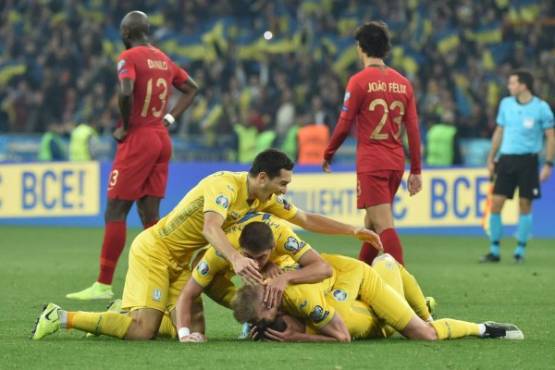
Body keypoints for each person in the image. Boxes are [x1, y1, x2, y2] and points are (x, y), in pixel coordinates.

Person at [32, 149, 382, 341]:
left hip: (183, 262)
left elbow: (305, 219)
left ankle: (117, 315)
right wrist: (233, 257)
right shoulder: (224, 185)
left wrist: (353, 231)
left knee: (185, 333)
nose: (284, 190)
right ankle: (60, 317)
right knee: (143, 332)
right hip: (156, 251)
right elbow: (210, 225)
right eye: (282, 183)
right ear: (262, 177)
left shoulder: (262, 199)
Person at [66, 11, 199, 300]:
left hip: (138, 138)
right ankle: (167, 280)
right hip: (162, 139)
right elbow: (191, 88)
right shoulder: (163, 58)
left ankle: (102, 285)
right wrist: (171, 119)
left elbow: (126, 91)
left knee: (115, 210)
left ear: (126, 34)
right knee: (150, 216)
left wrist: (126, 126)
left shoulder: (129, 58)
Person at [232, 254, 524, 342]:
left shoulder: (302, 298)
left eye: (258, 320)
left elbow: (342, 337)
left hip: (356, 276)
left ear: (268, 303)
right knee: (379, 316)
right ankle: (419, 304)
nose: (261, 325)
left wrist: (299, 338)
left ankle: (484, 328)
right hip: (339, 286)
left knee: (424, 334)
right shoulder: (270, 294)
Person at [322, 21, 422, 266]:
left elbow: (344, 124)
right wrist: (416, 170)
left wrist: (329, 152)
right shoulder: (403, 83)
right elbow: (413, 130)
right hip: (395, 162)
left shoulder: (359, 81)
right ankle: (361, 282)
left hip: (372, 163)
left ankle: (402, 287)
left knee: (383, 224)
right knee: (371, 225)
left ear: (360, 48)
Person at [174, 216, 342, 342]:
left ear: (273, 247)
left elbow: (324, 268)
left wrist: (286, 277)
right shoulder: (219, 252)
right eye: (248, 256)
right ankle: (253, 316)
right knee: (205, 280)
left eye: (261, 258)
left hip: (283, 268)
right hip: (234, 267)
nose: (255, 263)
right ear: (240, 247)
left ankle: (276, 318)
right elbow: (187, 295)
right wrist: (184, 334)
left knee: (279, 285)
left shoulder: (282, 235)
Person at [481, 70, 554, 263]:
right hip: (506, 160)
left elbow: (551, 136)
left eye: (512, 83)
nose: (509, 86)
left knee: (525, 205)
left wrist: (548, 163)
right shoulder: (506, 104)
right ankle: (494, 249)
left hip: (528, 162)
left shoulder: (541, 108)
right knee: (496, 203)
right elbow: (499, 131)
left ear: (523, 85)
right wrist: (491, 157)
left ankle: (520, 250)